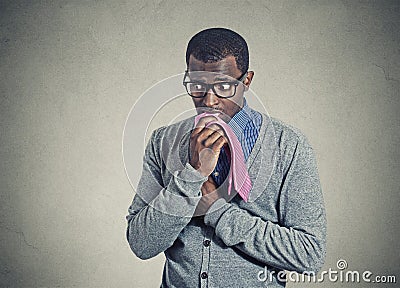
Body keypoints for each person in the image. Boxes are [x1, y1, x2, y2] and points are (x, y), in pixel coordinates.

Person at [126, 28, 327, 287]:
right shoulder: (162, 141)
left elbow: (309, 253)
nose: (209, 100)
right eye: (197, 86)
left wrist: (217, 211)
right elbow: (141, 244)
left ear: (247, 80)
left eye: (223, 86)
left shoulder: (288, 146)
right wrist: (191, 177)